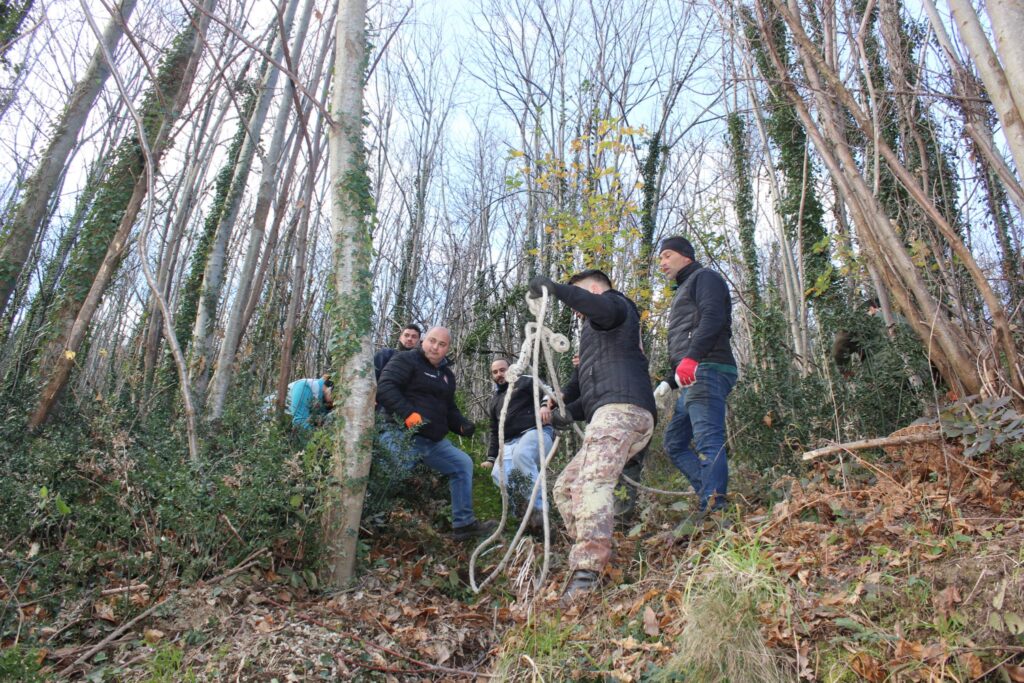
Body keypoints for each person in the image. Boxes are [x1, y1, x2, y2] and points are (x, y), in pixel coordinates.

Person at [528, 269, 656, 602]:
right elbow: (596, 393)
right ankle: (600, 556)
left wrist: (555, 289)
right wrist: (565, 413)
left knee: (591, 484)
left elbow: (599, 309)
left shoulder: (615, 306)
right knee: (566, 488)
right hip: (611, 412)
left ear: (595, 290)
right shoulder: (600, 340)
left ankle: (587, 572)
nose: (576, 311)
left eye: (579, 299)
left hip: (622, 412)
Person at [376, 326, 497, 540]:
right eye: (432, 341)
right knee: (389, 477)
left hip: (431, 440)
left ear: (447, 348)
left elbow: (449, 409)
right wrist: (408, 415)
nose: (435, 347)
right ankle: (370, 521)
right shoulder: (405, 359)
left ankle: (464, 524)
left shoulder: (446, 375)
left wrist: (461, 425)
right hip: (400, 433)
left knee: (462, 464)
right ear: (423, 341)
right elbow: (385, 387)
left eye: (442, 344)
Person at [654, 236, 738, 528]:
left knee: (707, 439)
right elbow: (688, 334)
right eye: (660, 258)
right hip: (693, 374)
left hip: (708, 368)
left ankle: (716, 509)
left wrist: (692, 358)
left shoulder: (705, 278)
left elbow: (713, 317)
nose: (662, 263)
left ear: (686, 256)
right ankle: (711, 495)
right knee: (674, 443)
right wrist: (670, 381)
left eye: (667, 255)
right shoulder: (684, 288)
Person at [483, 358, 553, 529]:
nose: (499, 374)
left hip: (536, 432)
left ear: (511, 368)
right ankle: (520, 517)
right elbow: (495, 431)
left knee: (521, 455)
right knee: (498, 474)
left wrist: (545, 405)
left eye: (502, 370)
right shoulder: (495, 400)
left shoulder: (524, 381)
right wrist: (491, 458)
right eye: (495, 372)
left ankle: (539, 512)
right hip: (509, 442)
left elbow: (547, 390)